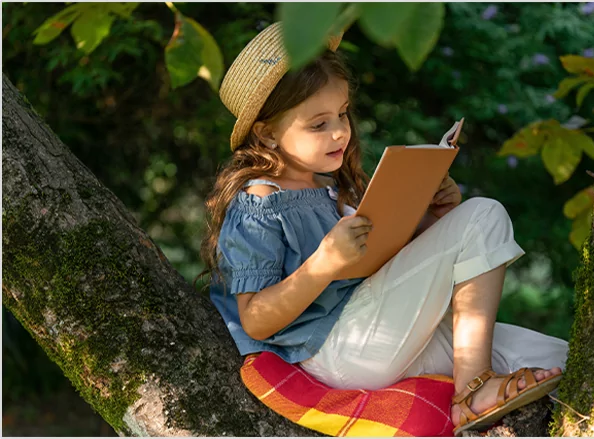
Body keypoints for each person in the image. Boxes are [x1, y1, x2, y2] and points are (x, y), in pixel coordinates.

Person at [197, 22, 568, 436]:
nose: (339, 131)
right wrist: (323, 265)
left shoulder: (330, 188)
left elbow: (383, 262)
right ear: (267, 134)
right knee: (484, 215)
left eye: (341, 115)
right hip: (337, 348)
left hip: (386, 332)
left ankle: (486, 379)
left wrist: (431, 219)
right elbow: (255, 321)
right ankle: (473, 388)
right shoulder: (260, 202)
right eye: (318, 124)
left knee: (562, 359)